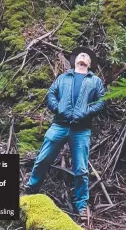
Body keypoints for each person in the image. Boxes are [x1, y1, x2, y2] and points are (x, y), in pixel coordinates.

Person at [24, 46, 106, 217]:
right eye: (80, 55)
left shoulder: (95, 81)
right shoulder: (63, 78)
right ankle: (31, 189)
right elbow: (51, 94)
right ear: (74, 61)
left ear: (89, 64)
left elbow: (101, 101)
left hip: (81, 130)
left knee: (81, 169)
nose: (83, 56)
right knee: (43, 158)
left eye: (86, 56)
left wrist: (87, 112)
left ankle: (82, 205)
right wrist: (58, 108)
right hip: (59, 126)